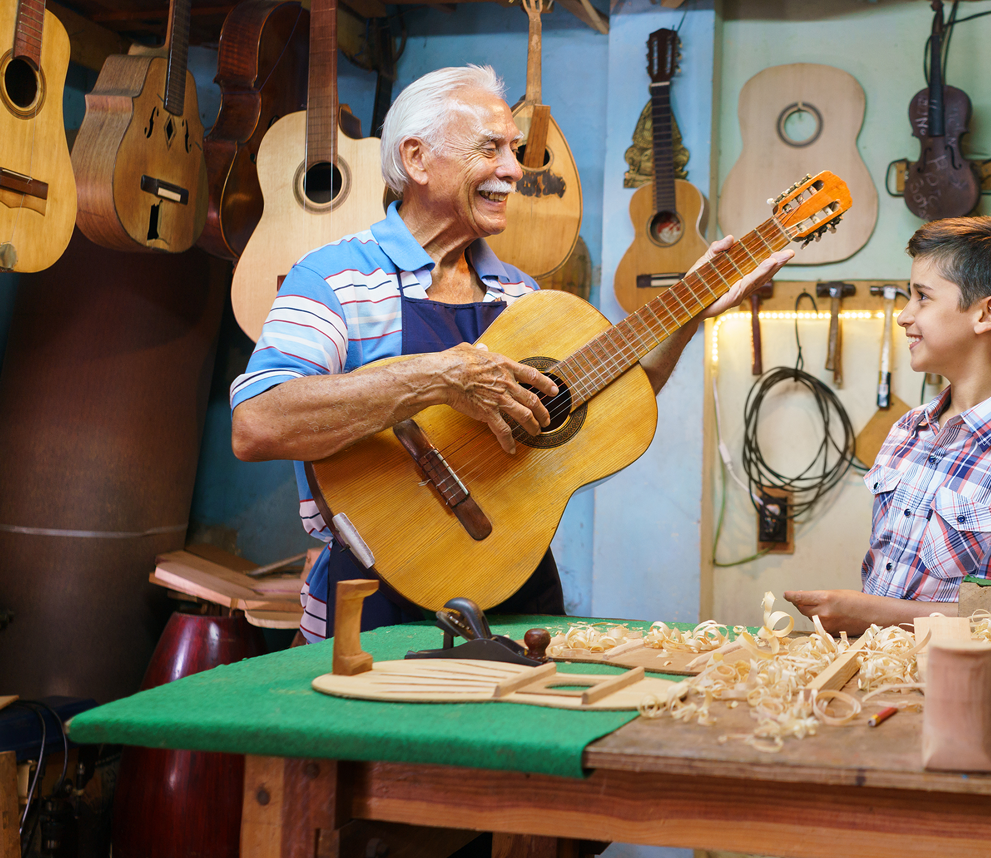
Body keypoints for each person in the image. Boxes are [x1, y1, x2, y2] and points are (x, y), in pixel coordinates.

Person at [230, 65, 791, 642]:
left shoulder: (522, 296)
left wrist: (687, 312)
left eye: (514, 149)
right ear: (417, 159)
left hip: (516, 590)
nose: (514, 169)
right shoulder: (335, 276)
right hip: (374, 604)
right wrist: (441, 376)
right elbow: (258, 424)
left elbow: (611, 396)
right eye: (490, 148)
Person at [785, 217, 991, 639]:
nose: (904, 316)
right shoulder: (908, 430)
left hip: (967, 692)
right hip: (875, 679)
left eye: (922, 298)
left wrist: (873, 615)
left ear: (987, 313)